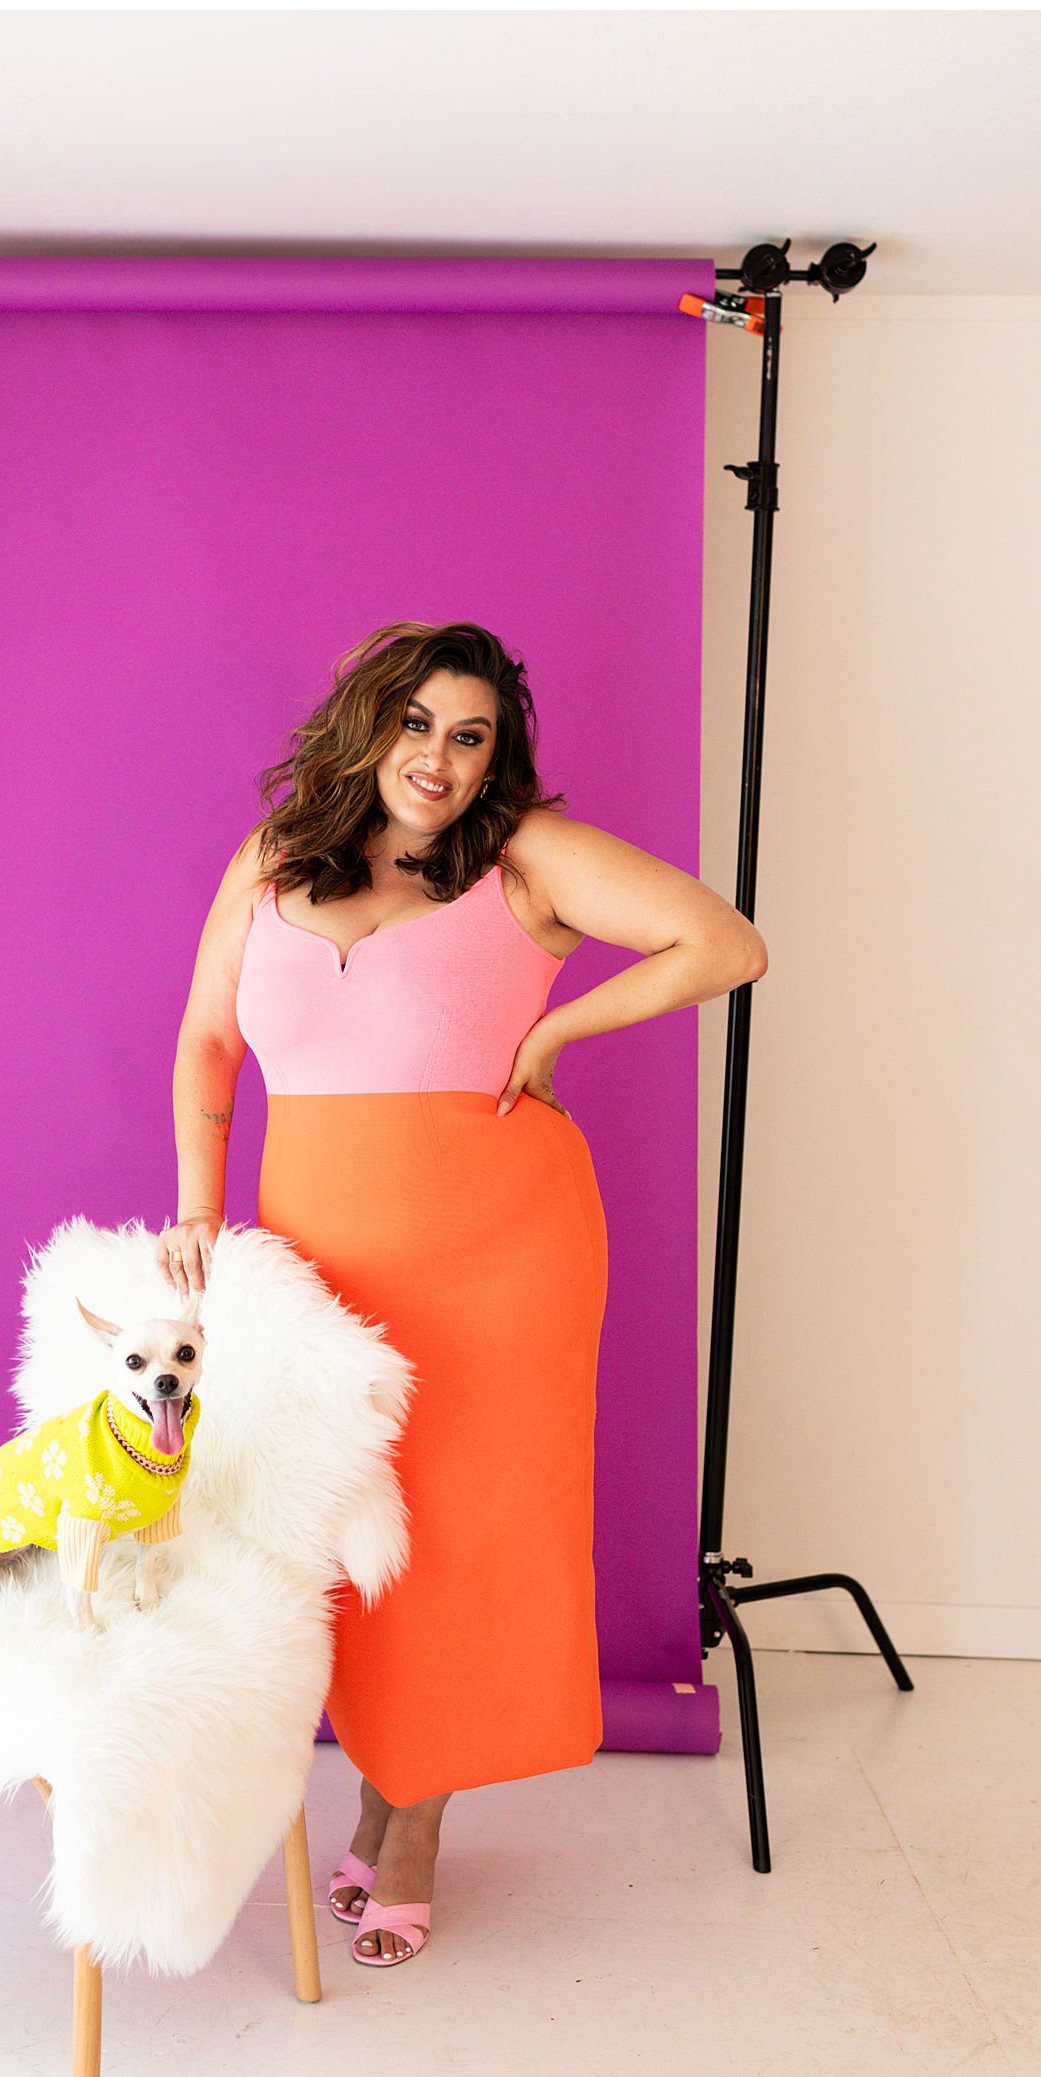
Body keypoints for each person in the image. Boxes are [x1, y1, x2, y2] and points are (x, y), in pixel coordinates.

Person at [164, 620, 766, 1966]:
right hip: (320, 1261)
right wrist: (200, 1210)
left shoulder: (522, 857)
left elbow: (724, 943)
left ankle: (414, 1826)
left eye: (470, 735)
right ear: (369, 724)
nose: (438, 757)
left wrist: (555, 1030)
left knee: (458, 1535)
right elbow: (207, 1040)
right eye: (417, 723)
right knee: (356, 1534)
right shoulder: (275, 859)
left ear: (498, 756)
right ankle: (385, 1788)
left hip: (499, 1258)